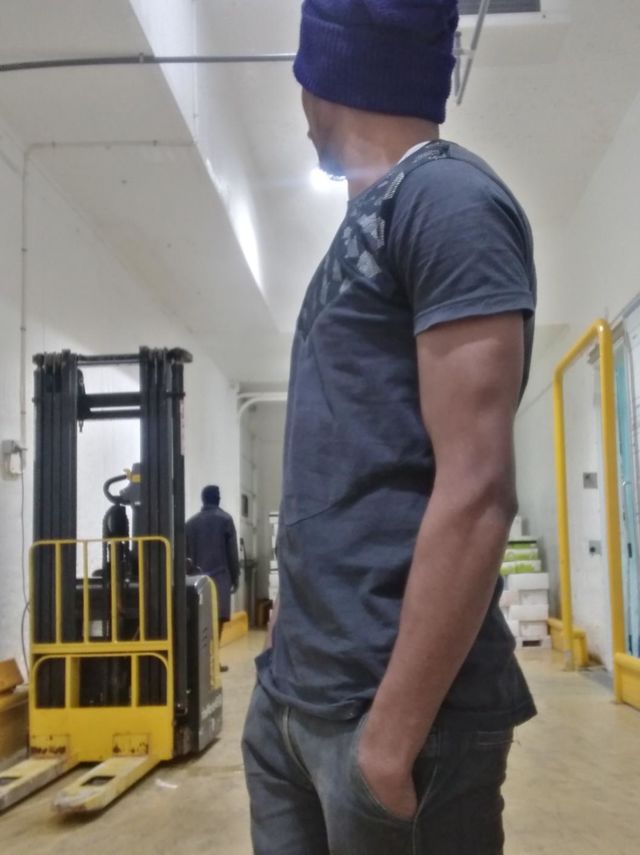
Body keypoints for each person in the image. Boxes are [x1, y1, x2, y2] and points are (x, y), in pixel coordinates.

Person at [242, 2, 537, 853]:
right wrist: (284, 657)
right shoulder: (363, 226)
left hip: (395, 723)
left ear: (329, 71)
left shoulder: (447, 199)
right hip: (298, 703)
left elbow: (478, 488)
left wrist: (387, 745)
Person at [186, 486, 240, 668]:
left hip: (196, 581)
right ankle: (213, 661)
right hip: (220, 578)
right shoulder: (225, 520)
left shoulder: (190, 524)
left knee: (199, 620)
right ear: (218, 499)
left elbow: (184, 556)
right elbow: (232, 553)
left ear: (203, 500)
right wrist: (235, 577)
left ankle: (199, 663)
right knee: (218, 621)